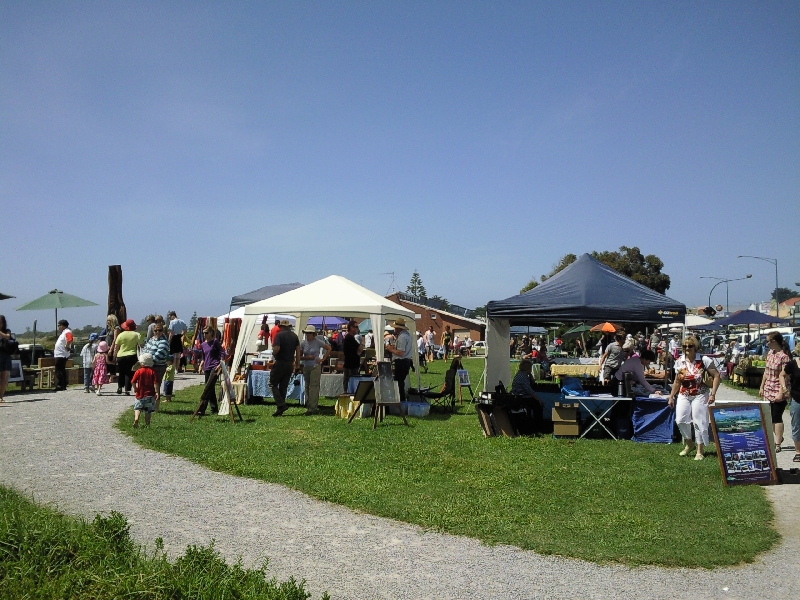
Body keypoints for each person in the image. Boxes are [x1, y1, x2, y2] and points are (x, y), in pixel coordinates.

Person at [667, 335, 720, 460]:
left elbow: (717, 376)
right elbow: (677, 381)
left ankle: (699, 450)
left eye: (690, 346)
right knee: (680, 420)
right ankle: (689, 443)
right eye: (684, 346)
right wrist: (671, 396)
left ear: (695, 347)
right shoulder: (680, 361)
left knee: (699, 421)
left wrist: (713, 394)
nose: (687, 348)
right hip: (684, 393)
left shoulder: (704, 360)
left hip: (700, 393)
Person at [760, 331, 791, 454]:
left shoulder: (784, 357)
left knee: (776, 416)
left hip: (779, 389)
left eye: (768, 341)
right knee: (769, 416)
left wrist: (780, 392)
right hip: (768, 388)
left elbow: (785, 376)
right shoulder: (770, 354)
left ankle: (777, 443)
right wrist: (762, 386)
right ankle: (779, 436)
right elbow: (766, 372)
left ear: (774, 341)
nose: (766, 343)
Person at [270, 319, 301, 417]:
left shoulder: (279, 335)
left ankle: (281, 404)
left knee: (272, 384)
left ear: (280, 327)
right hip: (289, 364)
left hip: (280, 362)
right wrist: (297, 365)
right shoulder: (294, 336)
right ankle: (280, 409)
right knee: (283, 387)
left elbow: (277, 348)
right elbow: (298, 351)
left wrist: (273, 354)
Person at [300, 325, 330, 415]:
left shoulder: (318, 342)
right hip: (306, 366)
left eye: (309, 333)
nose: (307, 335)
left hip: (315, 366)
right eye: (306, 333)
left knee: (314, 386)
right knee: (307, 386)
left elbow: (329, 348)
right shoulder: (303, 344)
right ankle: (309, 404)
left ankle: (313, 407)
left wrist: (323, 359)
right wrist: (307, 358)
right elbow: (299, 356)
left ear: (313, 334)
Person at [510, 359, 544, 433]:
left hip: (521, 396)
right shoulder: (523, 377)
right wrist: (539, 399)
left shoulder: (522, 374)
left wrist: (530, 376)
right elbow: (529, 390)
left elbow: (532, 384)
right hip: (520, 397)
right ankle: (538, 426)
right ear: (528, 368)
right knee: (537, 405)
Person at [385, 317, 414, 404]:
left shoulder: (402, 337)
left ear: (398, 328)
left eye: (395, 327)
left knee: (399, 382)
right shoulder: (407, 335)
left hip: (401, 361)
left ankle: (400, 400)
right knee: (401, 381)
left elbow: (401, 352)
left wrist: (390, 349)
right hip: (405, 361)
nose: (394, 329)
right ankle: (401, 399)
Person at [142, 321, 171, 406]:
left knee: (156, 386)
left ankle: (156, 407)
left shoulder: (164, 342)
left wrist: (147, 362)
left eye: (160, 330)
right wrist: (143, 360)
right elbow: (145, 350)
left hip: (158, 367)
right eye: (155, 330)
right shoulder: (151, 339)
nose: (157, 332)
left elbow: (159, 355)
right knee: (147, 386)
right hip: (147, 366)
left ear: (162, 331)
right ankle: (147, 405)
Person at [114, 319, 141, 395]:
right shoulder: (137, 334)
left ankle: (119, 387)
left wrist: (114, 357)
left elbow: (116, 347)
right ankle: (127, 389)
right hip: (132, 355)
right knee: (129, 373)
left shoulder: (121, 335)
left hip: (121, 355)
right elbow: (141, 345)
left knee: (121, 372)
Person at [131, 353, 158, 427]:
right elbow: (156, 383)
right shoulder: (153, 371)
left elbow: (133, 381)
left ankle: (136, 419)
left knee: (137, 408)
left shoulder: (139, 371)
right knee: (148, 411)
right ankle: (147, 424)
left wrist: (135, 388)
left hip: (140, 394)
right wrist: (157, 392)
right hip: (150, 394)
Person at [784, 344, 800, 463]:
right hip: (796, 398)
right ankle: (798, 452)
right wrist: (784, 389)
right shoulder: (792, 364)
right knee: (796, 425)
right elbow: (781, 375)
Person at [53, 319, 74, 391]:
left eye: (59, 325)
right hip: (60, 354)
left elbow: (70, 339)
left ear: (62, 325)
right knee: (61, 370)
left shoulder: (67, 332)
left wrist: (67, 346)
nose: (58, 327)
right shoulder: (64, 332)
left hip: (61, 354)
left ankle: (60, 385)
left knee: (58, 370)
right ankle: (63, 384)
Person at [0, 315, 16, 402]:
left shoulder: (7, 331)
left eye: (1, 322)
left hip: (5, 354)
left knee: (4, 376)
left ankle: (1, 396)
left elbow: (7, 336)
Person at [103, 315, 121, 379]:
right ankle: (111, 375)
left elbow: (115, 339)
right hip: (107, 346)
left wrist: (111, 349)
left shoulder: (117, 328)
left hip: (112, 346)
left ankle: (112, 375)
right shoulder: (110, 328)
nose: (107, 322)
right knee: (108, 360)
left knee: (111, 360)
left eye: (109, 320)